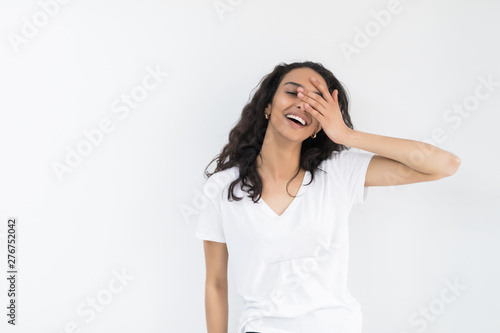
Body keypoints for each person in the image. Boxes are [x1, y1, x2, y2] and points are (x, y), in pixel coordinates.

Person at [194, 61, 461, 333]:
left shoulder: (338, 171)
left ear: (319, 126)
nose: (302, 104)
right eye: (292, 92)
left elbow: (445, 164)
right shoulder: (223, 187)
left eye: (316, 101)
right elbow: (215, 284)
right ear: (267, 106)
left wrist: (346, 134)